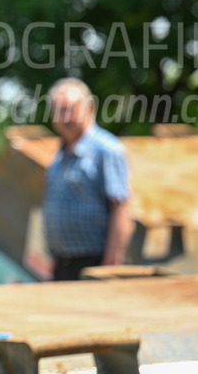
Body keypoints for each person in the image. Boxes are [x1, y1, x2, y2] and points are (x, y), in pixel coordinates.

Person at [42, 79, 133, 281]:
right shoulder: (58, 156)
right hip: (63, 266)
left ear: (89, 108)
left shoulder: (107, 151)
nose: (64, 117)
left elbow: (121, 209)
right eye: (58, 111)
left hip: (94, 265)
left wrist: (110, 267)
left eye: (70, 110)